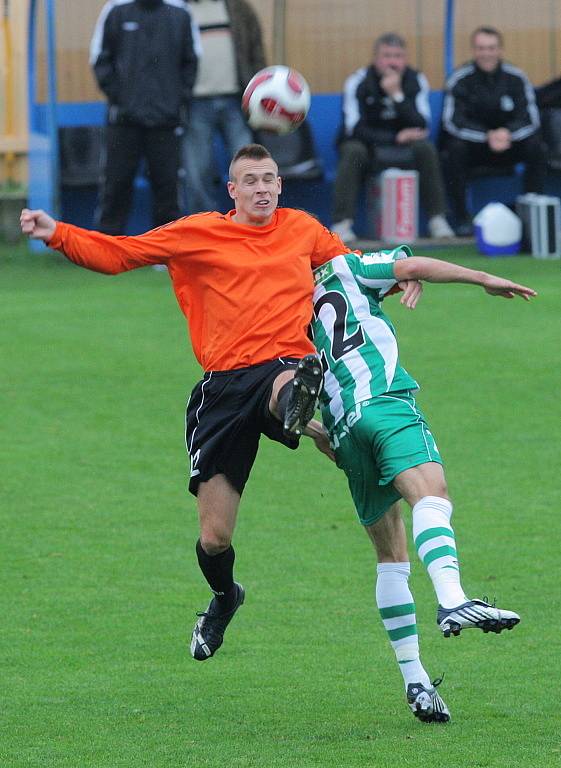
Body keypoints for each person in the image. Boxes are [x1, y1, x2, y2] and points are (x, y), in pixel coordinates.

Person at [19, 143, 374, 663]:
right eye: (249, 180)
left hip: (281, 364)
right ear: (232, 191)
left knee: (287, 383)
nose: (261, 188)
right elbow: (121, 254)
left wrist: (405, 271)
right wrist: (57, 233)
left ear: (280, 186)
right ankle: (225, 596)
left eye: (269, 179)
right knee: (213, 537)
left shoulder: (303, 230)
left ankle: (301, 407)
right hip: (223, 389)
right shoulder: (197, 233)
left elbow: (357, 269)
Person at [310, 247, 534, 722]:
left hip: (342, 429)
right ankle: (453, 599)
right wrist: (482, 277)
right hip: (384, 400)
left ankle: (416, 683)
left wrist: (314, 432)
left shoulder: (278, 303)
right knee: (431, 494)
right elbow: (409, 265)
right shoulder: (343, 267)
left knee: (390, 558)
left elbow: (280, 391)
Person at [331, 32, 454, 244]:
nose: (392, 62)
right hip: (369, 148)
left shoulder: (416, 80)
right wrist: (395, 137)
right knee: (352, 150)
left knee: (425, 148)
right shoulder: (358, 81)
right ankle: (342, 223)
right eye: (387, 55)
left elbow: (422, 123)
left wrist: (397, 95)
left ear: (405, 59)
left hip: (404, 149)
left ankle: (437, 219)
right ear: (376, 58)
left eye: (397, 56)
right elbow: (354, 128)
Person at [90, 0, 200, 234]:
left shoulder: (180, 12)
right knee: (116, 184)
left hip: (166, 121)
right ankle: (107, 247)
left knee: (167, 186)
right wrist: (120, 98)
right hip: (123, 121)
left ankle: (163, 251)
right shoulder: (116, 10)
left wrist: (176, 100)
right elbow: (100, 58)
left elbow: (192, 60)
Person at [442, 26, 547, 236]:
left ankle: (532, 218)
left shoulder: (516, 78)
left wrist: (507, 134)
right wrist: (486, 136)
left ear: (500, 50)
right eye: (481, 48)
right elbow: (453, 122)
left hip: (510, 145)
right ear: (474, 51)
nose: (486, 53)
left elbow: (530, 119)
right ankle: (463, 219)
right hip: (476, 148)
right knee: (453, 150)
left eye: (491, 48)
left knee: (537, 147)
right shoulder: (460, 79)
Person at [182, 0, 266, 214]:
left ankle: (249, 222)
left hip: (236, 101)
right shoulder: (181, 9)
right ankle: (205, 228)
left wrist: (259, 89)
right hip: (194, 103)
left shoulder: (238, 7)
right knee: (197, 171)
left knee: (247, 167)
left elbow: (256, 49)